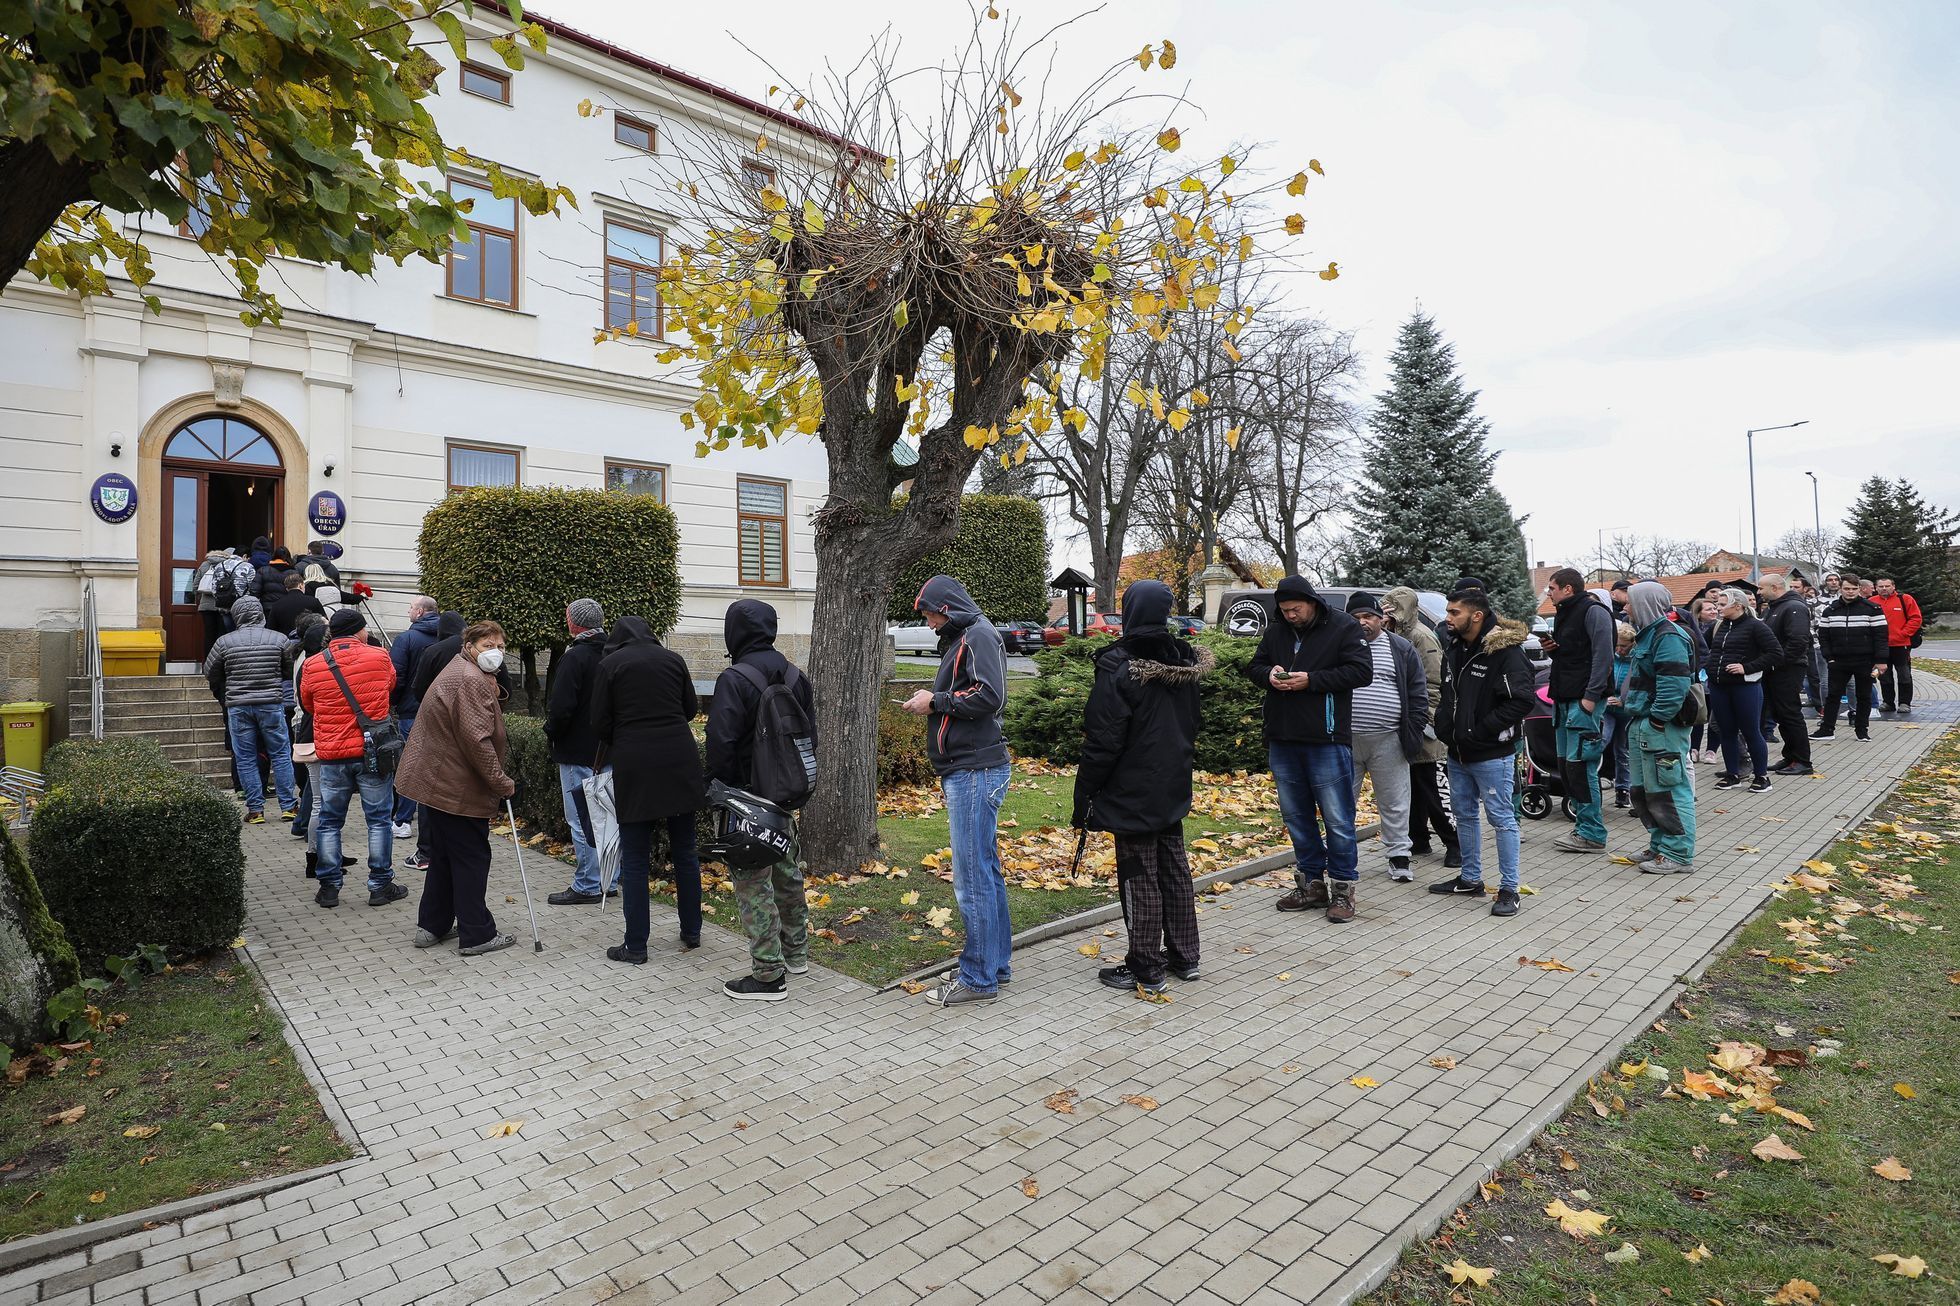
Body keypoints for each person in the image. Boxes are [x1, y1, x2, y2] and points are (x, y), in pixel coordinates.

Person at [1071, 581, 1208, 998]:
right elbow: (1193, 723)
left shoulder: (1120, 663)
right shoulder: (1184, 659)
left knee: (1138, 875)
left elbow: (1103, 738)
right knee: (1173, 867)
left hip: (1132, 788)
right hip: (1171, 782)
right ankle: (1185, 956)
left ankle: (1146, 965)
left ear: (1130, 611)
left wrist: (1085, 796)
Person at [901, 577, 1013, 1007]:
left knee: (972, 879)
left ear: (947, 608)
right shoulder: (962, 637)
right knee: (984, 870)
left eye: (930, 613)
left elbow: (990, 696)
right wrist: (935, 700)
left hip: (975, 770)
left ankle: (978, 978)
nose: (928, 622)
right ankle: (995, 965)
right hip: (971, 768)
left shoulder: (978, 635)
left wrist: (936, 701)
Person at [1246, 575, 1374, 923]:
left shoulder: (1343, 626)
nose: (1290, 616)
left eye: (1295, 609)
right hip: (1283, 738)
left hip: (1327, 739)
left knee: (1338, 818)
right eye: (1284, 610)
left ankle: (1343, 889)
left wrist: (1312, 680)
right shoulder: (1276, 631)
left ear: (1311, 601)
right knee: (1296, 817)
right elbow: (1253, 666)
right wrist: (1268, 674)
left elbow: (1362, 672)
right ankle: (1311, 883)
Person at [705, 599, 815, 1000]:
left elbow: (721, 742)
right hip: (784, 794)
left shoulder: (734, 678)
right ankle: (796, 954)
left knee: (753, 884)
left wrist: (719, 789)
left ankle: (768, 976)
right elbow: (809, 736)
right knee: (788, 871)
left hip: (746, 798)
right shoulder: (795, 674)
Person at [395, 620, 518, 956]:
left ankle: (431, 925)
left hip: (439, 781)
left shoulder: (464, 669)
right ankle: (477, 932)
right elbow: (477, 741)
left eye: (500, 646)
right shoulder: (470, 679)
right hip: (455, 785)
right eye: (487, 645)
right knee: (471, 858)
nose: (495, 652)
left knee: (447, 856)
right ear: (469, 645)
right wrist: (501, 782)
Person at [589, 616, 706, 964]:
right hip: (679, 759)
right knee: (686, 851)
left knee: (636, 858)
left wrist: (625, 734)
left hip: (635, 763)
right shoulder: (673, 659)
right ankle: (692, 930)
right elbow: (689, 708)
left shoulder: (610, 665)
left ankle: (636, 945)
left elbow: (599, 721)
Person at [1429, 586, 1535, 914]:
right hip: (1458, 751)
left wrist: (1479, 730)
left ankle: (1509, 889)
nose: (1448, 618)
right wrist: (1447, 728)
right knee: (1464, 814)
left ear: (1476, 615)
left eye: (1453, 612)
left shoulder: (1506, 651)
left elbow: (1522, 700)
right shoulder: (1456, 645)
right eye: (1448, 611)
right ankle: (1470, 879)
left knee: (1502, 819)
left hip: (1492, 753)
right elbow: (1450, 694)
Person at [297, 607, 402, 909]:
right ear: (359, 631)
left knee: (330, 821)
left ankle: (329, 887)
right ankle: (380, 886)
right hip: (373, 752)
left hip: (332, 753)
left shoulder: (313, 664)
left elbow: (308, 704)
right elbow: (390, 686)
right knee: (379, 820)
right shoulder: (379, 656)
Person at [1343, 592, 1428, 881]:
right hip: (1346, 741)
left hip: (1389, 738)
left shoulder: (1401, 648)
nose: (1363, 622)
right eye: (1355, 618)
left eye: (1368, 616)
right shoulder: (1340, 648)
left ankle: (1399, 857)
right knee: (1341, 803)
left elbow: (1418, 692)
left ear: (1381, 618)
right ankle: (1343, 858)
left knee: (1395, 802)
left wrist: (1414, 728)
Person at [1619, 581, 1697, 872]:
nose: (1625, 607)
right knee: (1644, 791)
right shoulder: (1648, 636)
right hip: (1645, 724)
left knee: (1669, 790)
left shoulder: (1668, 637)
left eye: (1629, 602)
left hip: (1661, 728)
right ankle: (1660, 845)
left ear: (1643, 604)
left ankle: (1678, 854)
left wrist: (1656, 720)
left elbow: (1674, 686)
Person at [203, 595, 299, 824]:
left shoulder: (225, 642)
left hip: (238, 706)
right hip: (271, 704)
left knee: (245, 758)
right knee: (281, 754)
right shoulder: (279, 639)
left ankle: (255, 810)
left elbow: (210, 671)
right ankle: (289, 806)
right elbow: (289, 670)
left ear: (236, 615)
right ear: (260, 614)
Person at [1541, 568, 1617, 855]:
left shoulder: (1594, 611)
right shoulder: (1565, 611)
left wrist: (1591, 696)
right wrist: (1553, 651)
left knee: (1581, 767)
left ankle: (1593, 833)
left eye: (1551, 588)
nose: (1548, 592)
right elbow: (1576, 654)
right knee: (1567, 768)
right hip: (1564, 698)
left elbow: (1603, 656)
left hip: (1582, 702)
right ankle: (1584, 829)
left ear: (1568, 589)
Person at [545, 599, 614, 907]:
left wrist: (551, 733)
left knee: (582, 819)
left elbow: (561, 708)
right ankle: (610, 878)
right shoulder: (614, 653)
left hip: (577, 750)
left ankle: (588, 882)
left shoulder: (575, 657)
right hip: (609, 748)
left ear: (574, 624)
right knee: (608, 816)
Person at [1384, 587, 1460, 869]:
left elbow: (1435, 684)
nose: (1386, 615)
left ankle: (1455, 842)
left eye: (1392, 610)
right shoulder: (1395, 637)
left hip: (1425, 725)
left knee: (1434, 786)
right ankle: (1418, 837)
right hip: (1406, 725)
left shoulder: (1421, 637)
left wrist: (1426, 721)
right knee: (1411, 786)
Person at [1704, 586, 1783, 793]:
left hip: (1745, 687)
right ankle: (1733, 774)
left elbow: (1775, 654)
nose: (1718, 608)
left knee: (1751, 732)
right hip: (1719, 686)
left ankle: (1761, 777)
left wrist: (1746, 668)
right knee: (1726, 731)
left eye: (1722, 604)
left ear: (1737, 606)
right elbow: (1709, 649)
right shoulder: (1720, 626)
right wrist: (1709, 667)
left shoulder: (1756, 626)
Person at [387, 596, 443, 847]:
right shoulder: (450, 638)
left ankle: (403, 820)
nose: (408, 611)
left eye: (410, 607)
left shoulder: (406, 639)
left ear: (420, 612)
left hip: (411, 711)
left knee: (411, 766)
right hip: (442, 712)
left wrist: (394, 703)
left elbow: (395, 677)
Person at [1812, 574, 1889, 743]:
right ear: (1840, 588)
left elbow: (1881, 637)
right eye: (1847, 588)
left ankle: (1862, 730)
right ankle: (1827, 729)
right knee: (1833, 696)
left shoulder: (1872, 609)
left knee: (1864, 696)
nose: (1850, 592)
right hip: (1838, 661)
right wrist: (1829, 657)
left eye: (1854, 589)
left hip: (1866, 661)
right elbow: (1823, 636)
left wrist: (1881, 660)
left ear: (1860, 589)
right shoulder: (1830, 610)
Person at [1758, 574, 1814, 776]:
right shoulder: (1775, 607)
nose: (1758, 592)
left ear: (1775, 587)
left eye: (1761, 588)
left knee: (1790, 713)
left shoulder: (1794, 607)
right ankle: (1790, 756)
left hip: (1788, 669)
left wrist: (1775, 664)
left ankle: (1802, 760)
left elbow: (1798, 642)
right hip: (1775, 669)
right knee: (1781, 714)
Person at [1873, 577, 1922, 715]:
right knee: (1884, 675)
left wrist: (1903, 633)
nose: (1884, 589)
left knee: (1904, 674)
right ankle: (1888, 702)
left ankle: (1904, 703)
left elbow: (1916, 618)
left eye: (1887, 586)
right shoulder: (1872, 602)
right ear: (1876, 588)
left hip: (1901, 645)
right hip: (1881, 646)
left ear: (1893, 586)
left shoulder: (1905, 599)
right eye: (1881, 586)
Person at [1602, 622, 1636, 807]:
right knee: (1602, 740)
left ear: (1632, 644)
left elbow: (1638, 686)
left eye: (1623, 646)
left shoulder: (1636, 661)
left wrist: (1624, 701)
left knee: (1623, 750)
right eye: (1617, 645)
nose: (1619, 650)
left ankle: (1623, 789)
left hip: (1626, 711)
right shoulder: (1612, 658)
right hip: (1607, 710)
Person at [260, 570, 324, 636]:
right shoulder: (313, 601)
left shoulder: (277, 605)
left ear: (287, 588)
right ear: (301, 585)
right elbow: (324, 622)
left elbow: (271, 629)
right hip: (309, 639)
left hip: (286, 641)